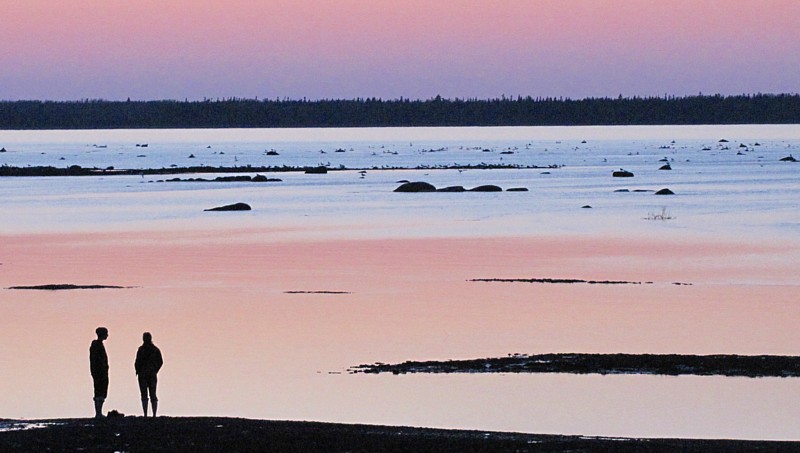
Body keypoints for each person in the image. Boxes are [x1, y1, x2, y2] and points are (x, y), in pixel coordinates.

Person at [135, 332, 163, 417]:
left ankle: (147, 414)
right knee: (151, 394)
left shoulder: (142, 350)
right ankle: (151, 414)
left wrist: (138, 370)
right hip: (149, 374)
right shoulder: (154, 349)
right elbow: (160, 362)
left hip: (146, 374)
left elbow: (137, 362)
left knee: (148, 394)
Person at [89, 327, 109, 418]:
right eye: (106, 333)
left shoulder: (97, 345)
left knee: (100, 390)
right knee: (100, 390)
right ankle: (98, 412)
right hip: (99, 372)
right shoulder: (97, 345)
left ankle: (98, 412)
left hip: (99, 371)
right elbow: (97, 360)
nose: (107, 335)